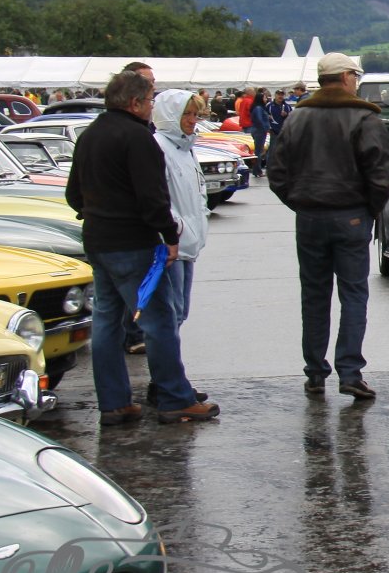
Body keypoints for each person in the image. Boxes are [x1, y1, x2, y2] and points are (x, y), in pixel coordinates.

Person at [65, 70, 218, 424]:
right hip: (135, 244)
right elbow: (153, 199)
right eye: (149, 100)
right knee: (159, 321)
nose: (152, 106)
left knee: (107, 323)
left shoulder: (89, 136)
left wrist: (96, 213)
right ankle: (174, 397)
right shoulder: (138, 138)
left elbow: (73, 194)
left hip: (98, 240)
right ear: (134, 103)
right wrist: (170, 237)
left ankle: (114, 403)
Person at [267, 52, 389, 400]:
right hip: (351, 213)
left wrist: (299, 201)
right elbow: (380, 173)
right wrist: (369, 210)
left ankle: (315, 372)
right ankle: (350, 372)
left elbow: (276, 171)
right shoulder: (364, 117)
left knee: (314, 295)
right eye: (355, 76)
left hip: (309, 216)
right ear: (347, 78)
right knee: (353, 294)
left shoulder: (297, 116)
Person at [148, 89, 212, 407]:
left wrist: (197, 226)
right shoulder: (159, 148)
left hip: (187, 243)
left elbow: (196, 194)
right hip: (171, 245)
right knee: (168, 316)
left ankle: (167, 380)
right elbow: (161, 198)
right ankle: (168, 384)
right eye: (186, 114)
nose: (192, 120)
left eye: (195, 114)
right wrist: (176, 231)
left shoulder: (186, 149)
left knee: (179, 313)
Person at [248, 88, 270, 175]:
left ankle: (256, 170)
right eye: (264, 98)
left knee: (259, 150)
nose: (266, 99)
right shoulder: (258, 108)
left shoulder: (258, 108)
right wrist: (265, 128)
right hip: (259, 131)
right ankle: (257, 170)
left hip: (258, 130)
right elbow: (259, 119)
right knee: (259, 151)